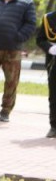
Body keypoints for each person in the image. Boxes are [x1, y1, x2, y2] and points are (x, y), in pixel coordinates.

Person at [36, 9, 56, 138]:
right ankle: (54, 126)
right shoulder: (48, 18)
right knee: (54, 94)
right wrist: (49, 48)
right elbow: (40, 39)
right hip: (54, 62)